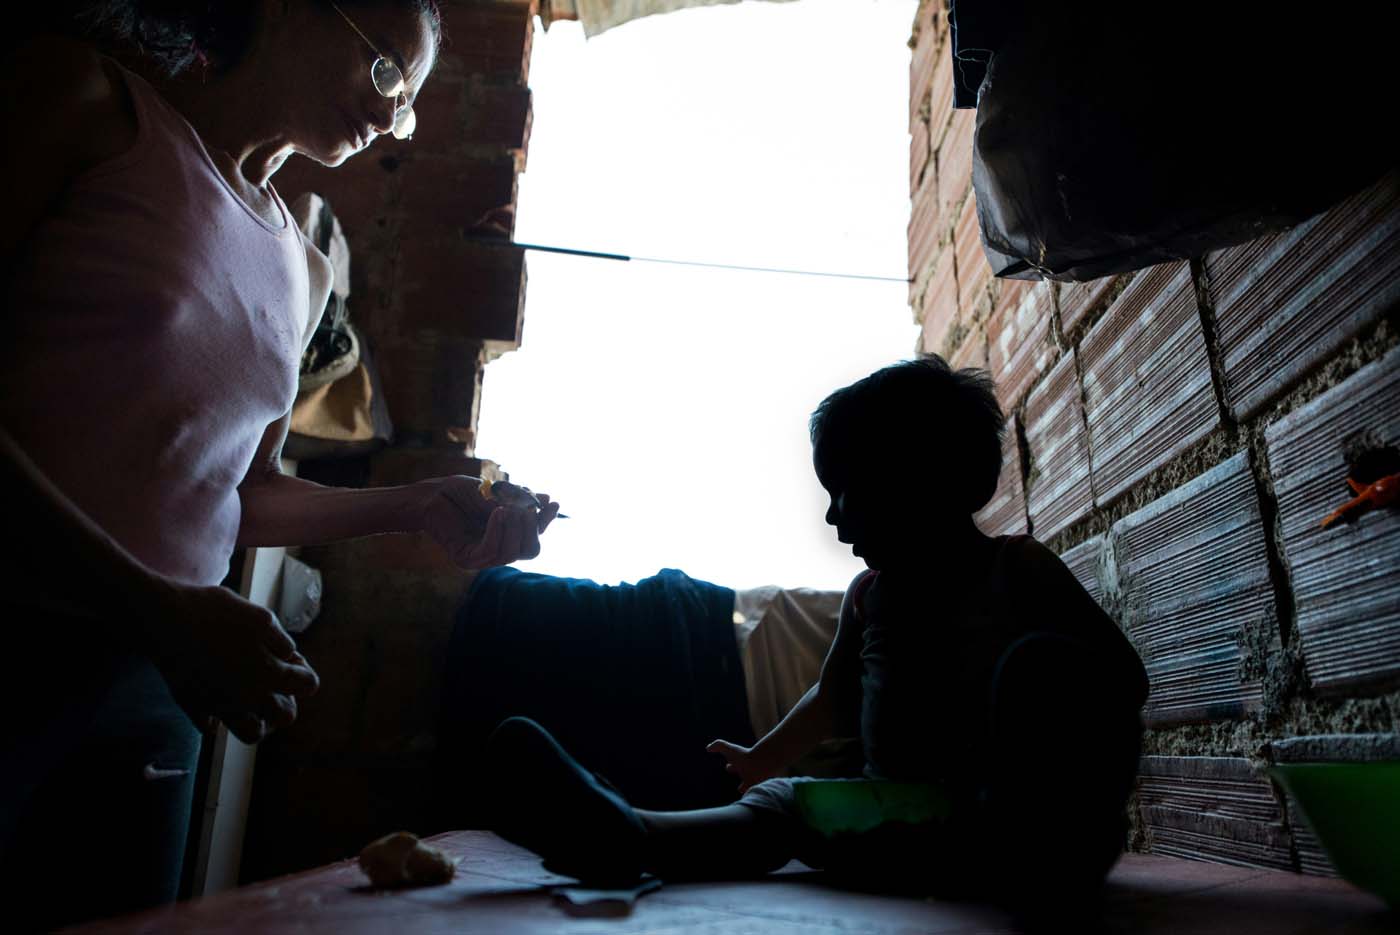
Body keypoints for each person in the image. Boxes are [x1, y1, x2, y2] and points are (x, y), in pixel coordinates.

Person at [1, 2, 558, 927]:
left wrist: (419, 504)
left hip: (158, 679)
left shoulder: (304, 270)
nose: (392, 118)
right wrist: (153, 603)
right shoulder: (88, 104)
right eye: (387, 73)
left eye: (409, 104)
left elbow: (242, 492)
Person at [483, 357, 1148, 918]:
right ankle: (632, 831)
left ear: (920, 483)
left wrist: (1041, 717)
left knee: (1043, 668)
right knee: (785, 803)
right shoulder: (869, 599)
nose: (831, 516)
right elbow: (832, 698)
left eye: (846, 492)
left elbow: (1123, 679)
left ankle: (1047, 848)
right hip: (909, 818)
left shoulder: (1017, 569)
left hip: (1024, 826)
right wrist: (762, 757)